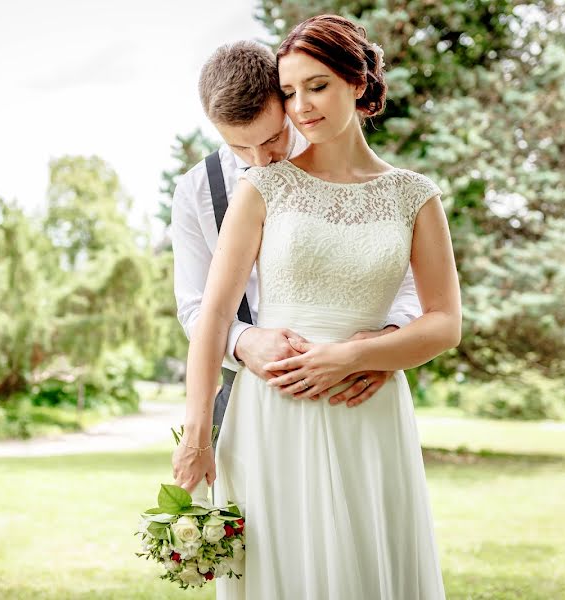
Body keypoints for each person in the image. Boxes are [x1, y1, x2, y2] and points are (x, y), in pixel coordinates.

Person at [172, 14, 460, 599]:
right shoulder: (251, 188)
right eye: (290, 91)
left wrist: (367, 353)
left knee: (364, 560)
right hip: (273, 404)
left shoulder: (413, 194)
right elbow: (204, 312)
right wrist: (197, 432)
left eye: (315, 87)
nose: (299, 108)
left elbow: (440, 317)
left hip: (368, 402)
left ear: (358, 82)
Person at [170, 41, 423, 455]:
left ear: (286, 101)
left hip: (356, 391)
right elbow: (196, 306)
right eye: (239, 147)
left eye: (271, 138)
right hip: (252, 395)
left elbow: (406, 282)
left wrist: (382, 348)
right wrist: (243, 340)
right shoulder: (196, 190)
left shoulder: (347, 166)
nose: (259, 159)